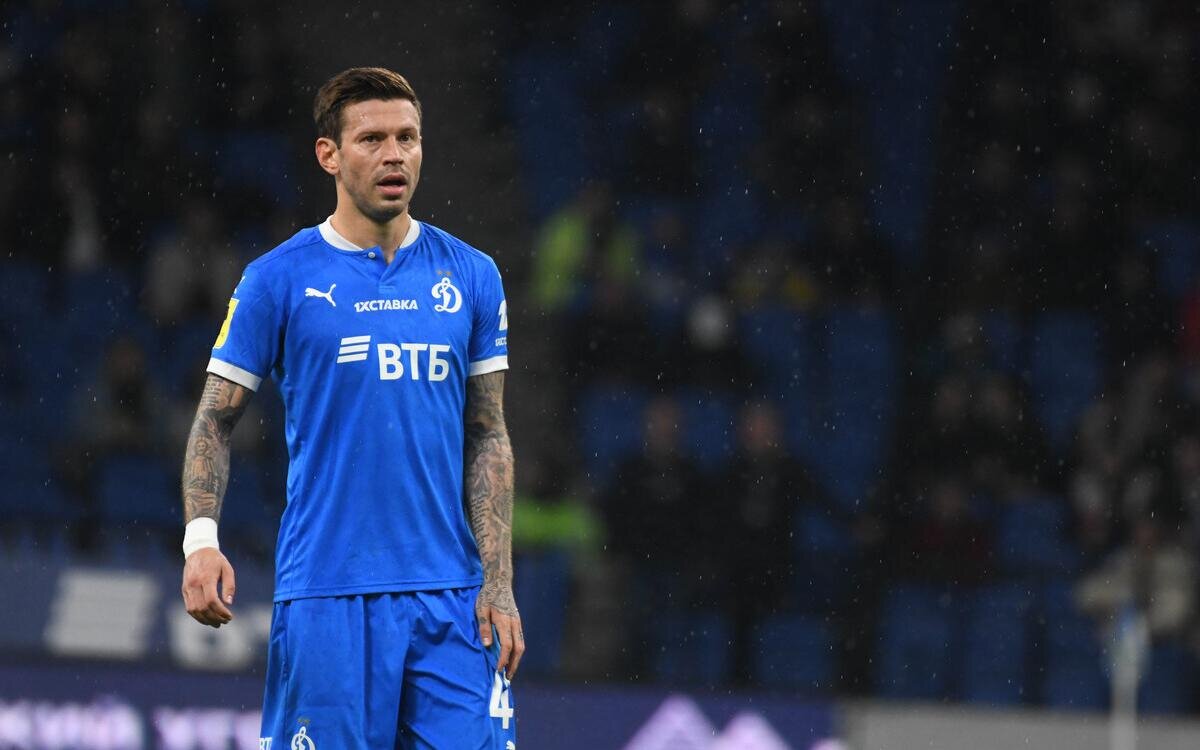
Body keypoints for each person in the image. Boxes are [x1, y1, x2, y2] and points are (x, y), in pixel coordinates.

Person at [178, 67, 521, 748]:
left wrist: (500, 581)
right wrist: (201, 543)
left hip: (452, 600)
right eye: (372, 139)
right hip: (326, 593)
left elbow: (488, 433)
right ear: (328, 155)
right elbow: (214, 420)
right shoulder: (277, 279)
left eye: (407, 138)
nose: (395, 155)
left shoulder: (472, 275)